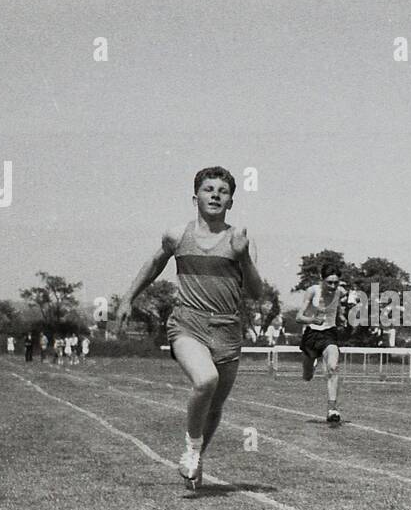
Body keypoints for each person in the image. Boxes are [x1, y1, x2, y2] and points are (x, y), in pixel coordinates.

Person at [118, 166, 263, 490]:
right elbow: (155, 263)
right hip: (188, 323)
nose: (215, 195)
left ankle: (196, 459)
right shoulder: (176, 235)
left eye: (222, 191)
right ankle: (192, 448)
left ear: (231, 201)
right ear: (195, 196)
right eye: (209, 189)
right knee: (205, 380)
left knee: (215, 406)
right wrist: (128, 298)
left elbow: (256, 293)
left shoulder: (240, 241)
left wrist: (243, 259)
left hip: (227, 329)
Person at [296, 264, 346, 423]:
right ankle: (312, 362)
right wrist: (312, 319)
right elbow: (299, 317)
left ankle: (332, 409)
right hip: (311, 333)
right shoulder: (312, 291)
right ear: (322, 280)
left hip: (329, 334)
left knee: (333, 367)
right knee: (307, 376)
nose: (333, 286)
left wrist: (341, 318)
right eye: (329, 282)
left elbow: (337, 309)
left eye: (336, 283)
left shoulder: (340, 292)